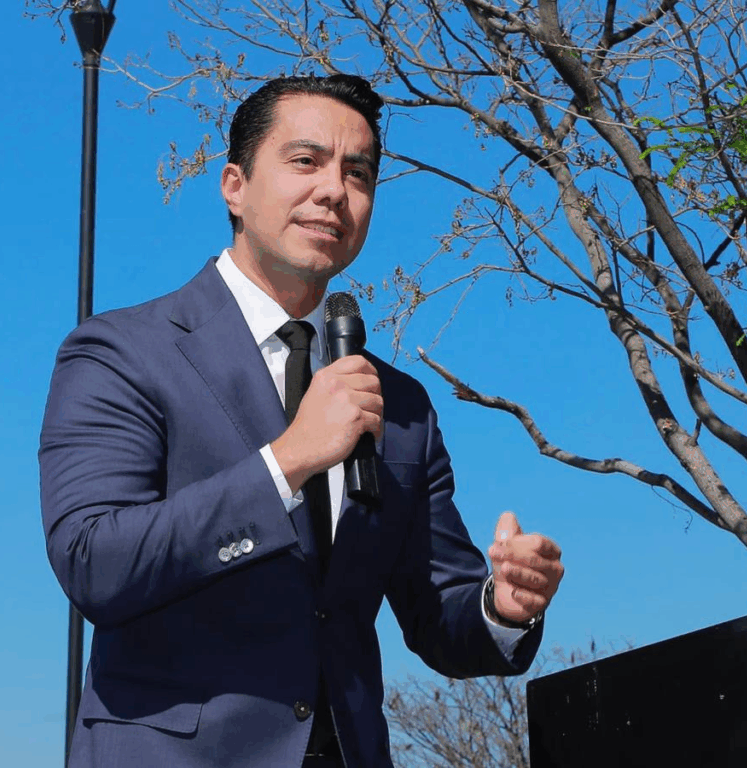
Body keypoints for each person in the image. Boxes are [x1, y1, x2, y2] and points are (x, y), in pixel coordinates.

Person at [39, 73, 564, 768]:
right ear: (234, 186)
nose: (334, 191)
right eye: (305, 161)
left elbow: (439, 614)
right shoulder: (123, 352)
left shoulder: (400, 405)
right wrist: (288, 461)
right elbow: (94, 563)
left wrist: (504, 605)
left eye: (358, 173)